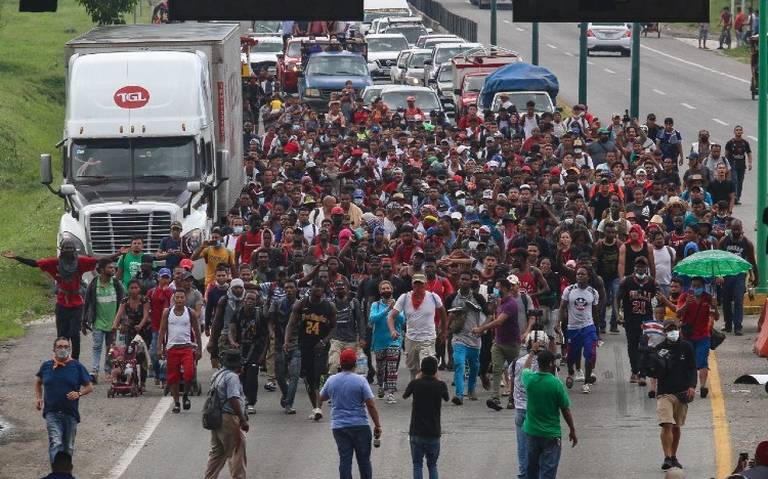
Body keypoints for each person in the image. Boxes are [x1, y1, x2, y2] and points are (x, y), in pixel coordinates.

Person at [3, 240, 103, 360]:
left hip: (77, 304)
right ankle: (61, 359)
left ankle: (75, 361)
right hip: (62, 304)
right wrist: (16, 257)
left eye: (71, 248)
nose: (69, 250)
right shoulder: (54, 263)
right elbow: (35, 263)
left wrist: (118, 254)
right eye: (66, 248)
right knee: (61, 335)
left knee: (74, 334)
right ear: (62, 250)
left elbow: (98, 260)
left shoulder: (80, 262)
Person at [319, 348, 382, 479]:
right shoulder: (361, 381)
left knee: (345, 460)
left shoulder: (332, 380)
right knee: (364, 461)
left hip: (339, 427)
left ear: (340, 364)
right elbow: (370, 404)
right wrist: (377, 425)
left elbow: (322, 397)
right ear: (355, 363)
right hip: (360, 426)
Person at [35, 337, 94, 464]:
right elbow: (39, 383)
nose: (63, 349)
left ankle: (65, 472)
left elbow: (89, 387)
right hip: (52, 412)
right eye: (60, 347)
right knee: (56, 443)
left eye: (66, 347)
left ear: (70, 349)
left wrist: (79, 393)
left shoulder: (77, 366)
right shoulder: (46, 366)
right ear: (54, 349)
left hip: (70, 413)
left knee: (68, 447)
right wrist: (39, 398)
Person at [285, 279, 337, 421]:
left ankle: (319, 407)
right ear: (311, 288)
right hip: (305, 344)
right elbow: (291, 324)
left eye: (321, 287)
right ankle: (315, 407)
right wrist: (286, 341)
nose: (318, 289)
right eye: (316, 286)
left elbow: (334, 327)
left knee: (319, 375)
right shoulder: (301, 304)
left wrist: (324, 341)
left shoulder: (329, 306)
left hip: (321, 345)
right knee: (309, 378)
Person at [522, 349, 577, 479]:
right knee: (548, 473)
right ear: (551, 364)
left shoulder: (529, 380)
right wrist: (572, 430)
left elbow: (525, 368)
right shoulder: (556, 384)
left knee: (531, 470)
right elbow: (565, 410)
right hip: (551, 435)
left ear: (538, 363)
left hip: (532, 433)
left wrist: (531, 353)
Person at [388, 273, 447, 381]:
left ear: (425, 284)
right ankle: (415, 391)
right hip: (411, 338)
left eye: (421, 284)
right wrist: (392, 331)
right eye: (416, 284)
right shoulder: (404, 297)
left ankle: (431, 391)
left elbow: (443, 313)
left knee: (427, 368)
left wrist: (443, 331)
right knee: (413, 369)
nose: (418, 287)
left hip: (428, 338)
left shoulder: (433, 297)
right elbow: (391, 317)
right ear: (412, 285)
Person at [654, 321, 697, 471]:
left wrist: (692, 386)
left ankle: (673, 456)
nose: (673, 332)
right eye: (669, 330)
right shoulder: (659, 349)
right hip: (665, 393)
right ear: (665, 332)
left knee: (677, 427)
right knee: (667, 424)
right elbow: (654, 372)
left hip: (682, 394)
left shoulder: (687, 347)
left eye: (675, 329)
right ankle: (667, 457)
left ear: (679, 329)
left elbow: (692, 368)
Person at [444, 271, 489, 405]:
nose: (464, 281)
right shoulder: (451, 298)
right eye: (462, 279)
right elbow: (446, 316)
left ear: (471, 282)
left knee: (475, 366)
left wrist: (482, 328)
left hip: (474, 338)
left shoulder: (479, 298)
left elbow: (490, 315)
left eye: (467, 279)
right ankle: (459, 394)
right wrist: (446, 329)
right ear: (458, 281)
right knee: (459, 363)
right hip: (458, 338)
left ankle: (471, 389)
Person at [204, 349, 248, 479]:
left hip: (216, 417)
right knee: (237, 450)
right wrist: (242, 419)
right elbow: (233, 398)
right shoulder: (232, 377)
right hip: (228, 418)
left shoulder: (217, 375)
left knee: (217, 453)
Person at [403, 356, 449, 479]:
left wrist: (417, 378)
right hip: (433, 431)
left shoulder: (415, 383)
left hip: (416, 431)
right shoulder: (440, 385)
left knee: (417, 464)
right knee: (432, 465)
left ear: (421, 370)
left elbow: (405, 395)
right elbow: (446, 397)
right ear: (436, 370)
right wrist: (438, 379)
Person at [158, 289, 203, 414]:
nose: (179, 300)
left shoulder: (190, 313)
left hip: (186, 348)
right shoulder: (167, 312)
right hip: (172, 349)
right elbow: (162, 331)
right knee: (173, 378)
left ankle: (185, 395)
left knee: (189, 373)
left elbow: (197, 331)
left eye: (182, 297)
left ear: (185, 299)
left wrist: (199, 348)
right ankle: (177, 402)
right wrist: (159, 348)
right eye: (177, 297)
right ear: (173, 299)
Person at [81, 258, 125, 383]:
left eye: (113, 267)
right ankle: (94, 371)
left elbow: (123, 303)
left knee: (110, 348)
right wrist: (84, 321)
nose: (113, 270)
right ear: (101, 270)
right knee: (96, 346)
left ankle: (107, 370)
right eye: (110, 268)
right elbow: (87, 303)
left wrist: (122, 321)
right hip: (98, 322)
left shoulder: (116, 284)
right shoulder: (94, 284)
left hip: (113, 323)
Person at [511, 331, 548, 479]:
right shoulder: (547, 364)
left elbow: (512, 378)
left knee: (522, 445)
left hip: (521, 409)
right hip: (539, 410)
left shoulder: (518, 362)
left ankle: (523, 473)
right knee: (539, 447)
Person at [617, 257, 658, 386]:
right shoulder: (627, 281)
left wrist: (657, 314)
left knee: (644, 347)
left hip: (646, 321)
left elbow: (659, 298)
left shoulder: (651, 282)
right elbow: (617, 298)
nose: (640, 268)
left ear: (647, 268)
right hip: (630, 320)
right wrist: (618, 314)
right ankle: (634, 370)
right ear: (634, 267)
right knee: (632, 347)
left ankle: (642, 374)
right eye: (638, 266)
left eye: (643, 266)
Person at [561, 267, 600, 394]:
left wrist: (597, 330)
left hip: (588, 327)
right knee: (571, 356)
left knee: (589, 353)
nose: (579, 276)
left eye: (583, 274)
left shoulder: (593, 292)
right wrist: (558, 323)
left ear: (588, 276)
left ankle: (586, 382)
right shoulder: (569, 290)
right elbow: (562, 307)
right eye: (578, 274)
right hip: (573, 328)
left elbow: (595, 312)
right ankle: (571, 372)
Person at [229, 291, 270, 414]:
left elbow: (266, 335)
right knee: (240, 376)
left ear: (256, 301)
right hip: (240, 349)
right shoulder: (238, 313)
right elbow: (231, 330)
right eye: (248, 299)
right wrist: (232, 342)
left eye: (253, 299)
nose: (250, 301)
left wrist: (263, 354)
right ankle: (241, 400)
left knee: (252, 376)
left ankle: (251, 402)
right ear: (244, 300)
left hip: (255, 349)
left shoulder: (259, 315)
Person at [676, 276, 717, 398]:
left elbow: (717, 316)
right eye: (693, 285)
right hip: (687, 335)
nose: (695, 288)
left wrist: (714, 306)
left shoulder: (708, 298)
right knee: (686, 361)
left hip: (703, 335)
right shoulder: (684, 297)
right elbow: (678, 313)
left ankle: (703, 386)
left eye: (698, 286)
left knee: (702, 361)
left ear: (703, 287)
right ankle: (687, 385)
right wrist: (686, 305)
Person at [368, 280, 405, 403]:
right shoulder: (375, 305)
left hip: (394, 340)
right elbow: (372, 319)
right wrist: (387, 309)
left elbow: (402, 320)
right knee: (380, 368)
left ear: (392, 290)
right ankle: (380, 386)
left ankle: (390, 393)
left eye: (387, 288)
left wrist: (394, 309)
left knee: (392, 367)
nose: (385, 290)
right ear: (380, 291)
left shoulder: (398, 304)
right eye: (383, 289)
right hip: (379, 342)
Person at [719, 219, 758, 336]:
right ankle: (727, 325)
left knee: (738, 301)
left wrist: (756, 277)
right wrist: (718, 274)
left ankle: (738, 326)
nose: (736, 231)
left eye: (738, 229)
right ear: (730, 229)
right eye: (734, 229)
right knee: (725, 301)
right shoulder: (724, 240)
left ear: (742, 229)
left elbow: (752, 262)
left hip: (740, 275)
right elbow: (719, 259)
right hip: (726, 275)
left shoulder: (747, 243)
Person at [271, 279, 301, 414]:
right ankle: (286, 393)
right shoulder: (277, 303)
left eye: (291, 288)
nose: (289, 290)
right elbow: (269, 319)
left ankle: (289, 403)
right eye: (286, 288)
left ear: (296, 289)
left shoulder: (301, 305)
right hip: (279, 342)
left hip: (296, 342)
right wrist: (271, 332)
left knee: (294, 375)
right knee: (279, 374)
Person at [328, 280, 365, 375]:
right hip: (336, 340)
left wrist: (362, 337)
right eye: (338, 289)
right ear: (334, 290)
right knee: (333, 365)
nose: (340, 291)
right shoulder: (331, 303)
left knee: (353, 367)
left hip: (351, 340)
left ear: (347, 289)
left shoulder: (353, 302)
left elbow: (360, 320)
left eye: (342, 288)